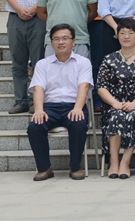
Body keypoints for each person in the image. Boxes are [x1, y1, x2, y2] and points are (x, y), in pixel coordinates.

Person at [0, 0, 58, 114]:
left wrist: (35, 8)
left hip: (39, 18)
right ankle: (20, 100)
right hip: (15, 18)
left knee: (39, 61)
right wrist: (19, 9)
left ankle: (37, 101)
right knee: (18, 62)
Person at [26, 24, 93, 181]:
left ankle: (75, 167)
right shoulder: (43, 64)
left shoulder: (83, 62)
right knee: (34, 126)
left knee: (78, 123)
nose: (61, 42)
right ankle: (44, 168)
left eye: (65, 38)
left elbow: (84, 87)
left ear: (73, 42)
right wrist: (39, 110)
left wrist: (78, 108)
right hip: (50, 107)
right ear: (51, 43)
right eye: (56, 39)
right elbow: (38, 89)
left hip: (73, 105)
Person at [96, 19, 135, 178]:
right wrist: (114, 103)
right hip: (113, 104)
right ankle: (114, 162)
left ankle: (125, 162)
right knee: (117, 116)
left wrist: (134, 103)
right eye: (122, 33)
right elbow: (101, 86)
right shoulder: (109, 59)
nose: (126, 36)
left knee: (134, 116)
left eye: (130, 33)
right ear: (117, 36)